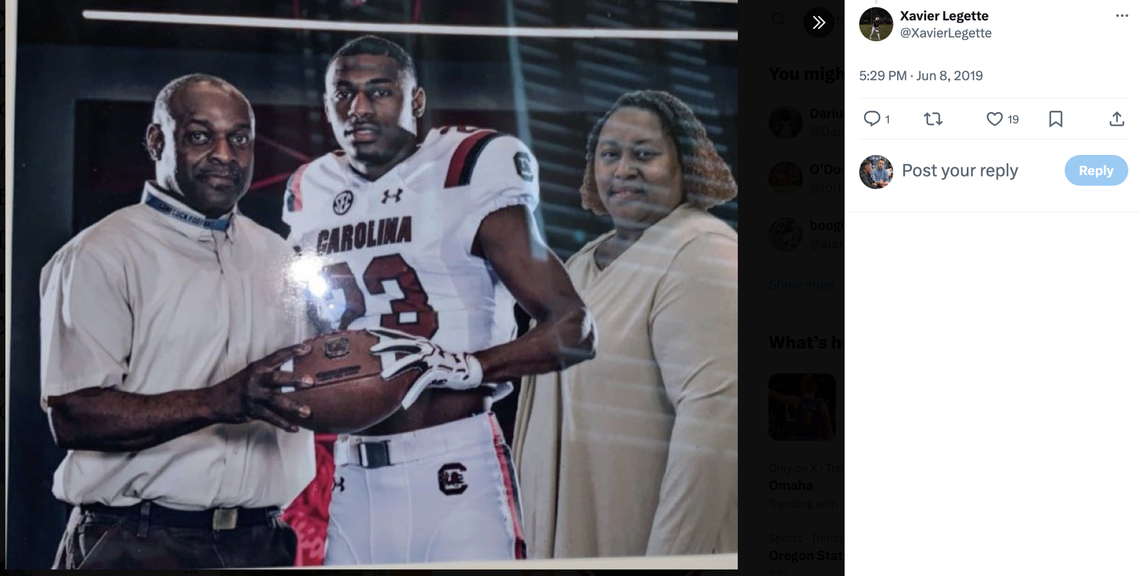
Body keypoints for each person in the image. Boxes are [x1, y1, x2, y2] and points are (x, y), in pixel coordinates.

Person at [280, 36, 595, 565]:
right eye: (343, 94)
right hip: (352, 472)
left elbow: (574, 327)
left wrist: (464, 366)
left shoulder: (468, 164)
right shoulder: (310, 187)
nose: (358, 108)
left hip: (455, 462)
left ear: (416, 102)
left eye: (378, 92)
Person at [40, 74, 318, 569]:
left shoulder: (279, 257)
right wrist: (221, 400)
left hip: (262, 542)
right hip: (136, 541)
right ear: (156, 141)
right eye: (199, 135)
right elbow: (74, 415)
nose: (224, 155)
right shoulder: (100, 253)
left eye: (239, 138)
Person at [512, 90, 738, 558]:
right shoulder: (577, 266)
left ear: (688, 164)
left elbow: (715, 423)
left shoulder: (701, 251)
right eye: (609, 155)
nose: (623, 170)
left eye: (644, 155)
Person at [769, 379, 835, 441]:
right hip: (814, 439)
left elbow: (775, 395)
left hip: (798, 438)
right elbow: (828, 429)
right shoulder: (823, 406)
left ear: (804, 391)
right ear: (815, 390)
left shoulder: (797, 401)